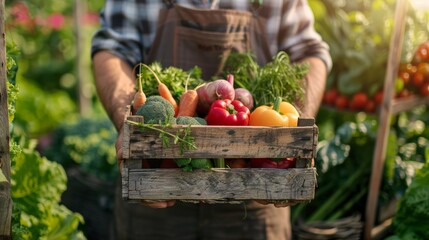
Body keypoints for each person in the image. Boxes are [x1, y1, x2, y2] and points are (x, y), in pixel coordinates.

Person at [91, 0, 332, 239]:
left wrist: (297, 129)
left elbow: (309, 52)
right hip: (154, 186)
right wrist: (127, 121)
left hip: (257, 191)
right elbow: (112, 50)